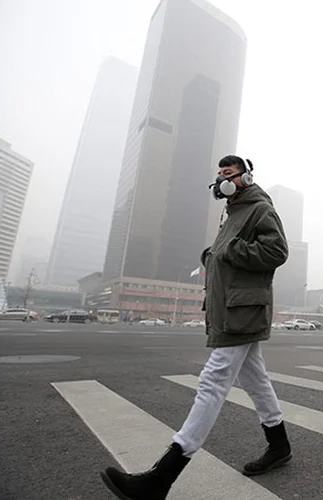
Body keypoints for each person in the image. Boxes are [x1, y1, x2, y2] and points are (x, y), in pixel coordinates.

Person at [100, 156, 292, 500]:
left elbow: (277, 250)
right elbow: (231, 254)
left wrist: (229, 250)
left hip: (242, 310)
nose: (222, 181)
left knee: (213, 381)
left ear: (245, 177)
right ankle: (279, 446)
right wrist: (213, 255)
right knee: (255, 380)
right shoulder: (234, 211)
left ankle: (161, 478)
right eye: (219, 175)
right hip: (233, 307)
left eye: (229, 174)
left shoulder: (259, 207)